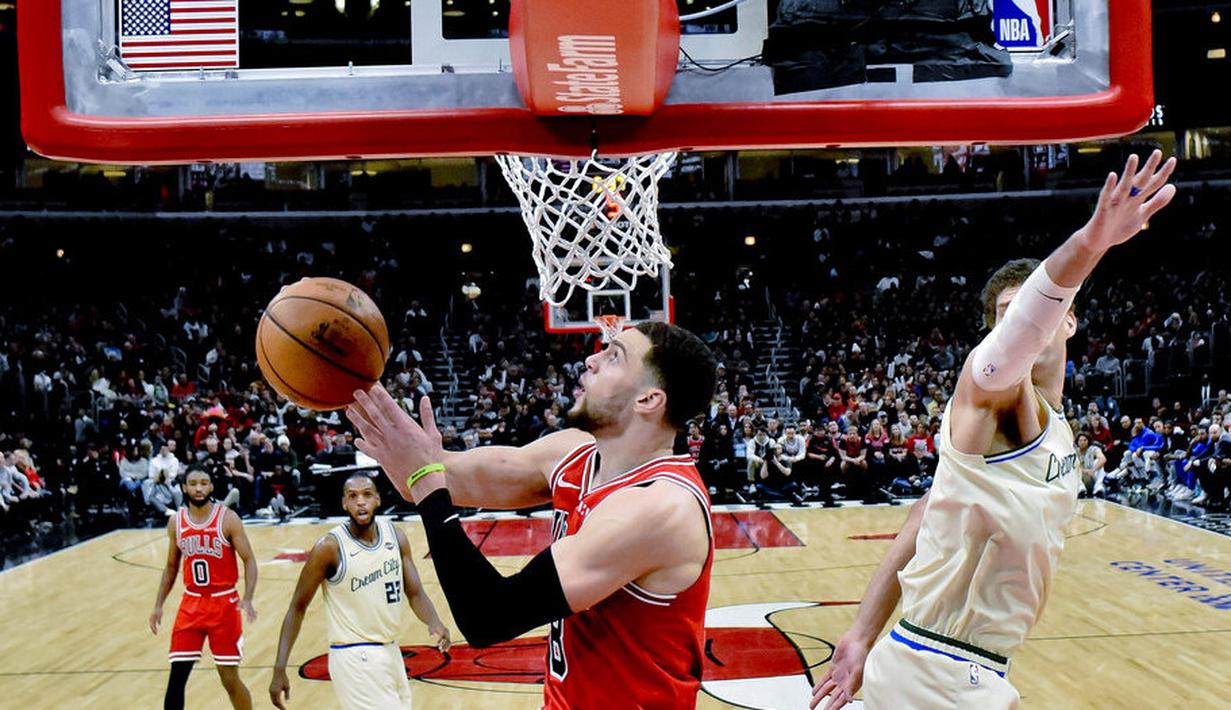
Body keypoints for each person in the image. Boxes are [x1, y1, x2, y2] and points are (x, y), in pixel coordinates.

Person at [811, 151, 1176, 709]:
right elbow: (1026, 328)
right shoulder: (991, 395)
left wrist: (861, 635)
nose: (1024, 323)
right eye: (1007, 314)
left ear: (1070, 321)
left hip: (946, 664)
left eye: (1033, 308)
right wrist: (1091, 243)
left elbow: (920, 519)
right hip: (943, 670)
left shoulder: (1054, 423)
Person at [346, 321, 718, 708]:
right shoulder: (571, 452)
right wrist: (350, 387)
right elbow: (436, 476)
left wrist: (424, 478)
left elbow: (488, 616)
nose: (591, 360)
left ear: (648, 400)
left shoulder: (660, 507)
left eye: (613, 358)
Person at [270, 474, 451, 710]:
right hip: (354, 657)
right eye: (353, 496)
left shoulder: (395, 536)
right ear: (344, 503)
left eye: (366, 494)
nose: (361, 502)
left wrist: (434, 621)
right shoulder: (329, 547)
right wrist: (279, 667)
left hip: (391, 651)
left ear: (377, 499)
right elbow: (297, 606)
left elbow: (415, 592)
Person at [150, 465, 259, 710]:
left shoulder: (228, 519)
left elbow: (249, 560)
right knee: (176, 678)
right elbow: (170, 567)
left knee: (229, 679)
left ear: (211, 486)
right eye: (193, 484)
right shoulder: (176, 522)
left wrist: (248, 597)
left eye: (203, 483)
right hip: (191, 604)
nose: (198, 488)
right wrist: (158, 605)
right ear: (184, 487)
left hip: (224, 603)